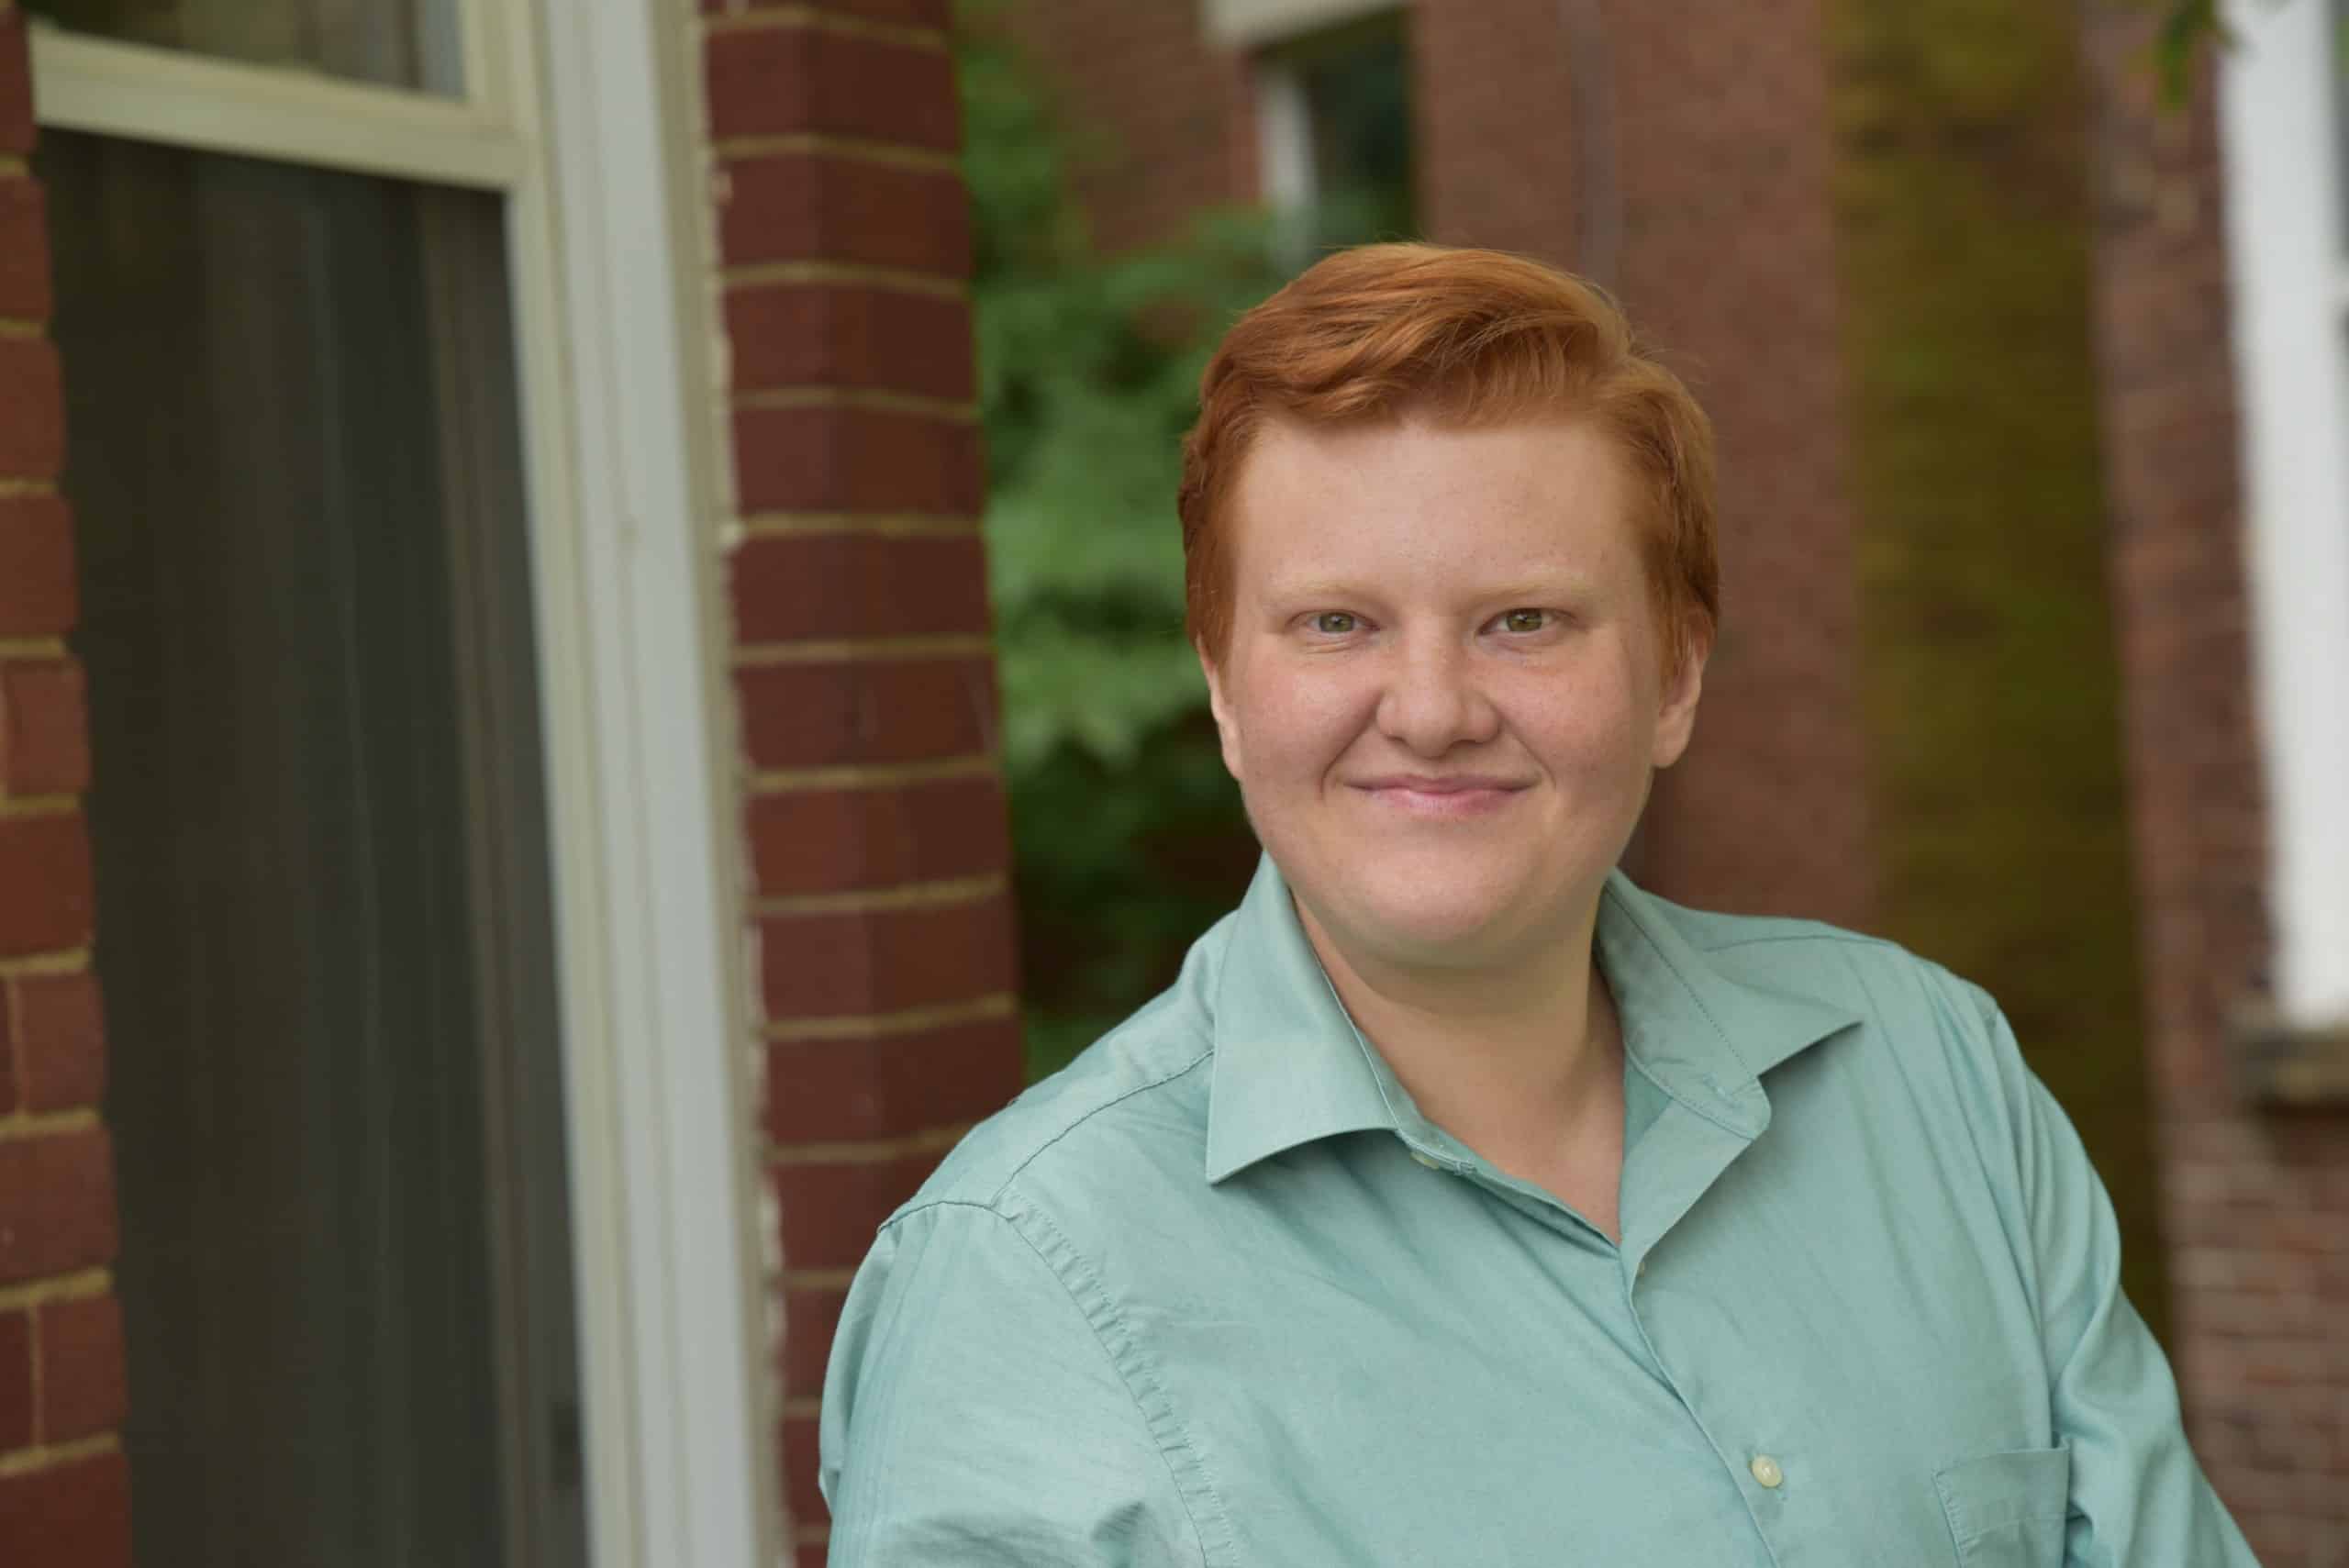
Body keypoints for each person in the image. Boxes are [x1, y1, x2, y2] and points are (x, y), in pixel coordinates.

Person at [816, 243, 2258, 1566]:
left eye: (1525, 621)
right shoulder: (1021, 1278)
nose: (1433, 710)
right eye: (1338, 623)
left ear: (1676, 675)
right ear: (1222, 684)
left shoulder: (1934, 1078)